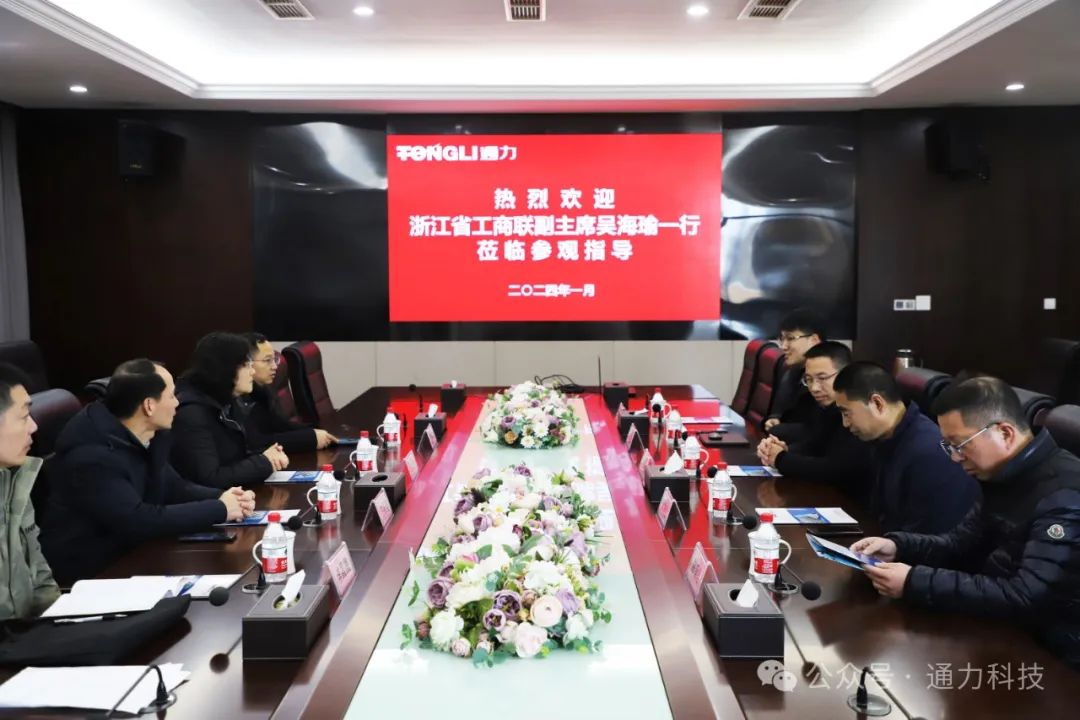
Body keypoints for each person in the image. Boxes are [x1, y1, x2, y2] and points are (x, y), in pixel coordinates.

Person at [853, 377, 1080, 668]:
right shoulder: (1001, 475)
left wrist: (913, 581)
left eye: (961, 445)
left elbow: (1025, 596)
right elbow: (958, 543)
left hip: (1056, 653)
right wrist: (898, 545)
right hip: (1003, 627)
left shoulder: (1064, 495)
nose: (955, 458)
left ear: (1004, 433)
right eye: (949, 446)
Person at [41, 359, 256, 585]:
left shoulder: (147, 435)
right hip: (93, 574)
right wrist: (220, 509)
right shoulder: (92, 457)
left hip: (135, 555)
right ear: (149, 406)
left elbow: (173, 486)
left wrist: (225, 497)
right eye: (171, 396)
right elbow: (138, 520)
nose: (177, 402)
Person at [833, 362, 979, 533]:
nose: (845, 423)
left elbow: (928, 536)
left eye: (847, 413)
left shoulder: (928, 455)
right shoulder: (884, 439)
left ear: (877, 403)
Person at [757, 342, 874, 502]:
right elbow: (815, 444)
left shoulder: (859, 412)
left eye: (822, 378)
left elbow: (836, 469)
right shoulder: (826, 406)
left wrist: (781, 458)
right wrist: (783, 450)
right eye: (809, 380)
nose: (814, 388)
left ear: (846, 374)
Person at [171, 332, 289, 489]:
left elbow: (238, 455)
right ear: (225, 368)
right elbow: (210, 478)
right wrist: (263, 462)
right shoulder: (191, 413)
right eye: (246, 365)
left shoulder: (227, 399)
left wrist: (267, 455)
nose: (252, 372)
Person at [0, 363, 59, 619]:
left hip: (27, 635)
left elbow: (42, 584)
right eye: (24, 416)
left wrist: (63, 622)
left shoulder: (15, 482)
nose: (33, 426)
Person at [241, 333, 336, 454]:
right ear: (245, 363)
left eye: (274, 360)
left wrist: (316, 431)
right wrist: (310, 438)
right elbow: (255, 443)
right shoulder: (238, 398)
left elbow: (280, 425)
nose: (275, 366)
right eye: (267, 360)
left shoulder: (263, 390)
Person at [764, 308, 826, 439]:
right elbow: (782, 411)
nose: (783, 346)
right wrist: (774, 418)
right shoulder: (792, 373)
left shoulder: (829, 379)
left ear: (814, 340)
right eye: (782, 339)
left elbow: (818, 431)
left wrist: (778, 429)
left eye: (790, 338)